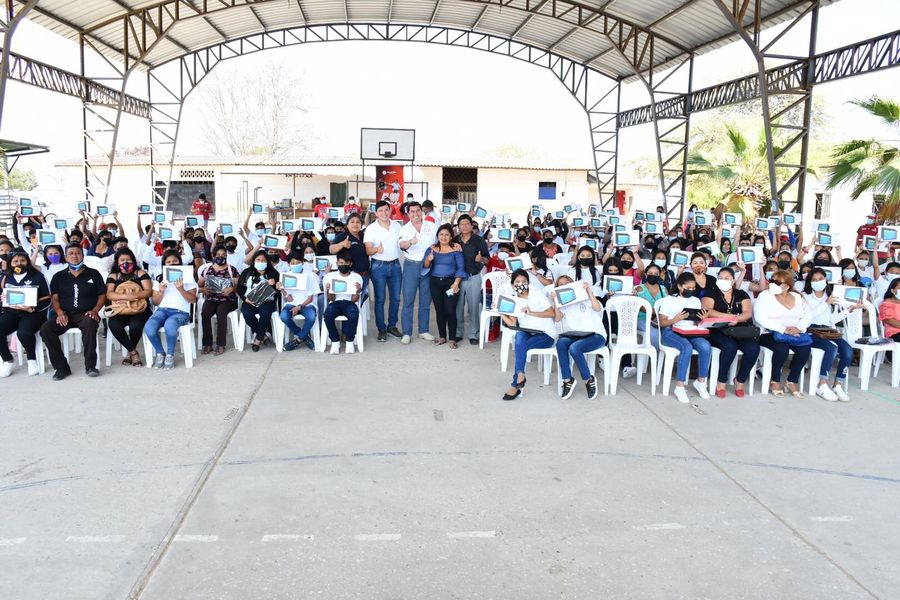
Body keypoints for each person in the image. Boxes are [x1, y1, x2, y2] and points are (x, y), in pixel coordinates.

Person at [40, 244, 107, 380]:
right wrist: (59, 312)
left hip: (87, 313)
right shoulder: (59, 276)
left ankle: (90, 366)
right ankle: (61, 368)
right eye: (71, 253)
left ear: (82, 255)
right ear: (65, 257)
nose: (74, 256)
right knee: (46, 329)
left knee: (90, 324)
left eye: (77, 253)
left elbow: (102, 295)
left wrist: (95, 310)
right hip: (66, 314)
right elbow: (54, 298)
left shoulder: (93, 274)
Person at [701, 267, 759, 398]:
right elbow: (708, 310)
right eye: (720, 278)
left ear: (733, 280)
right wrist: (729, 317)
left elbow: (747, 312)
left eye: (727, 278)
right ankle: (721, 381)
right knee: (729, 346)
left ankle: (740, 380)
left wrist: (737, 319)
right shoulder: (711, 292)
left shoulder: (741, 294)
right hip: (717, 329)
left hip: (739, 329)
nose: (723, 280)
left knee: (753, 348)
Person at [753, 270, 812, 397]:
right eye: (772, 280)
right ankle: (775, 380)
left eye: (777, 282)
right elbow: (760, 317)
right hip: (768, 333)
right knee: (782, 349)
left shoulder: (797, 297)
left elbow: (808, 315)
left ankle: (792, 381)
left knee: (805, 349)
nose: (772, 284)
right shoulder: (765, 295)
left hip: (794, 332)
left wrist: (799, 328)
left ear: (787, 285)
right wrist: (783, 329)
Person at [500, 269, 557, 401]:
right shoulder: (514, 299)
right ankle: (520, 375)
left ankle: (515, 384)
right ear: (513, 285)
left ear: (528, 282)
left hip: (546, 334)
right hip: (528, 332)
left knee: (521, 347)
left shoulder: (537, 294)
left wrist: (531, 313)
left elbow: (552, 313)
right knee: (519, 337)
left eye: (524, 281)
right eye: (517, 282)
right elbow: (512, 323)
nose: (521, 284)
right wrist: (501, 313)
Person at [656, 272, 712, 403]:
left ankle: (701, 382)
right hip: (671, 330)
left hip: (690, 330)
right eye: (688, 287)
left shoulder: (695, 301)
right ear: (680, 286)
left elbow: (697, 322)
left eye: (693, 288)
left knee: (705, 346)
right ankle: (680, 386)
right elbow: (662, 322)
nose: (691, 290)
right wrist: (675, 319)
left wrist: (702, 319)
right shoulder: (669, 300)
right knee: (686, 347)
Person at [803, 268, 858, 402]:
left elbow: (832, 319)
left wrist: (849, 310)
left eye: (820, 279)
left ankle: (838, 384)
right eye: (814, 280)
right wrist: (826, 303)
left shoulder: (831, 295)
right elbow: (808, 317)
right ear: (810, 282)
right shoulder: (804, 296)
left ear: (826, 280)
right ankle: (822, 383)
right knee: (831, 348)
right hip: (811, 330)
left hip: (828, 330)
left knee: (847, 350)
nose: (818, 282)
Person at [551, 275, 604, 400]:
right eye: (561, 285)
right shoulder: (564, 304)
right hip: (577, 335)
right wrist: (556, 302)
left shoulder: (585, 297)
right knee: (561, 343)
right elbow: (557, 319)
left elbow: (597, 308)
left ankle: (588, 379)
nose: (564, 286)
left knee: (574, 348)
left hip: (596, 335)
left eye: (567, 283)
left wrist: (589, 291)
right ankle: (567, 380)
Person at [0, 250, 51, 377]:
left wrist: (32, 309)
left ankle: (32, 360)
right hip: (12, 312)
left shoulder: (38, 276)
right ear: (10, 263)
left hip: (33, 313)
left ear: (27, 261)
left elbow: (47, 299)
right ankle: (8, 360)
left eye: (22, 260)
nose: (19, 263)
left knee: (23, 333)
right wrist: (2, 299)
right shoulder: (5, 277)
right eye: (15, 261)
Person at [144, 250, 197, 369]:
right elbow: (155, 302)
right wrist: (160, 291)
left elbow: (193, 300)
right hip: (162, 310)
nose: (172, 263)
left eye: (175, 261)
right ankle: (160, 353)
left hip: (180, 312)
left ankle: (170, 355)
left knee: (170, 324)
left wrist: (181, 289)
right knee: (149, 327)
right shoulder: (159, 279)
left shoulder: (187, 278)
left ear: (180, 262)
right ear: (164, 264)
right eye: (168, 262)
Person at [105, 248, 153, 367]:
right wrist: (125, 297)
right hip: (120, 309)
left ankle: (130, 353)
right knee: (114, 325)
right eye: (122, 260)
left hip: (140, 309)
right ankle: (133, 352)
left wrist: (134, 296)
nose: (125, 262)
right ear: (117, 262)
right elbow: (109, 294)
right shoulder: (113, 276)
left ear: (133, 260)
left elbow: (148, 291)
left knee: (135, 326)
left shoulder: (140, 273)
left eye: (128, 259)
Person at [399, 201, 438, 344]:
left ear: (422, 212)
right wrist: (410, 242)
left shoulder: (431, 226)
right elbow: (401, 245)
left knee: (425, 300)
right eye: (412, 212)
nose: (415, 214)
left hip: (428, 266)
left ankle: (423, 330)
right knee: (408, 300)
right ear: (408, 214)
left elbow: (439, 242)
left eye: (418, 211)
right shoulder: (405, 229)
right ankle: (406, 333)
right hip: (411, 266)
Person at [364, 200, 403, 342]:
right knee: (380, 299)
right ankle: (381, 329)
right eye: (380, 211)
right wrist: (376, 249)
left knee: (396, 298)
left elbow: (402, 243)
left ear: (390, 210)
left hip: (395, 265)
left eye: (386, 210)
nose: (384, 213)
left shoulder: (397, 226)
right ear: (376, 213)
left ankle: (392, 326)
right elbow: (368, 250)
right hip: (378, 267)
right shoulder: (371, 229)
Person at [424, 223, 466, 348]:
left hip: (451, 284)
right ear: (437, 236)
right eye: (441, 234)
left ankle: (452, 339)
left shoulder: (456, 250)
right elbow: (425, 266)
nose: (444, 237)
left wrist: (456, 283)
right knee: (439, 310)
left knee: (450, 310)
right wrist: (428, 259)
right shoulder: (432, 249)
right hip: (435, 283)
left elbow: (460, 268)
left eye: (447, 235)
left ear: (451, 236)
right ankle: (442, 337)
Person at [453, 214, 490, 344]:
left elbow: (487, 259)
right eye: (461, 224)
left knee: (473, 307)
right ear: (458, 227)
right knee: (457, 307)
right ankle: (458, 333)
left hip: (473, 277)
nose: (464, 226)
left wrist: (481, 259)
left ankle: (474, 334)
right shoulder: (454, 240)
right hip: (457, 279)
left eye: (467, 224)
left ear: (471, 225)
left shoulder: (479, 240)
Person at [198, 244, 240, 355]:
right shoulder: (207, 270)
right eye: (218, 255)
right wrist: (203, 289)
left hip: (228, 300)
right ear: (213, 256)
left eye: (223, 255)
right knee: (205, 312)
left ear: (226, 256)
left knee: (221, 312)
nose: (220, 257)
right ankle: (207, 344)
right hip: (211, 298)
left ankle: (221, 344)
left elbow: (240, 287)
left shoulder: (232, 270)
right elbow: (199, 285)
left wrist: (231, 289)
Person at [237, 250, 281, 352]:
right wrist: (245, 299)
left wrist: (274, 285)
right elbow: (239, 289)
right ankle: (263, 335)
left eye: (263, 260)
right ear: (254, 261)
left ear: (267, 262)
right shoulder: (247, 272)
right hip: (250, 301)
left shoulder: (273, 273)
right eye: (258, 260)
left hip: (267, 301)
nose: (261, 262)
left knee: (265, 314)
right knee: (246, 313)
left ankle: (257, 340)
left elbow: (278, 291)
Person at [323, 249, 364, 354]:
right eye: (341, 263)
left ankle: (350, 341)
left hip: (349, 302)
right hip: (335, 302)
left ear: (350, 264)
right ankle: (335, 341)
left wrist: (358, 291)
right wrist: (329, 291)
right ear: (337, 263)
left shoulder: (355, 277)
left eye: (346, 263)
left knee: (353, 315)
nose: (343, 265)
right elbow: (331, 299)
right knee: (327, 315)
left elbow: (355, 299)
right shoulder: (331, 276)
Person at [279, 251, 319, 351]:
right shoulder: (286, 276)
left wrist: (299, 307)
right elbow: (289, 299)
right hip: (291, 304)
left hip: (308, 304)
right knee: (284, 316)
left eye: (298, 262)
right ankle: (304, 336)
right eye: (292, 263)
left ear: (302, 262)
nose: (295, 265)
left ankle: (298, 340)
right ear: (288, 264)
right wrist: (282, 289)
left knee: (311, 316)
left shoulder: (310, 275)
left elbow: (311, 298)